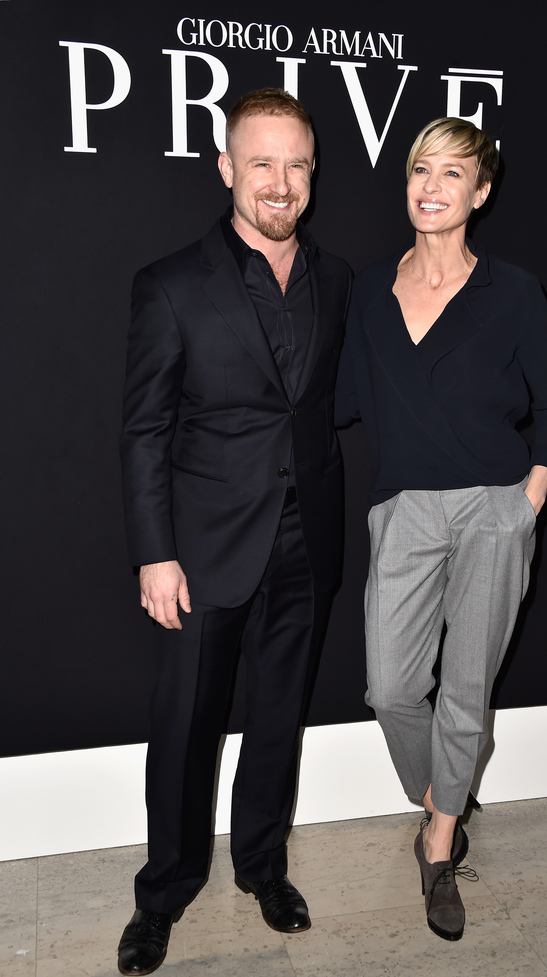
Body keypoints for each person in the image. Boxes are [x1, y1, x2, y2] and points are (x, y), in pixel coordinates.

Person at [118, 88, 352, 975]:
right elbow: (144, 430)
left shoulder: (338, 280)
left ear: (313, 173)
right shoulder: (171, 284)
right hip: (203, 546)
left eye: (296, 164)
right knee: (185, 726)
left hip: (306, 539)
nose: (280, 181)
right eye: (261, 162)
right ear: (226, 168)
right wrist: (154, 552)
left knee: (279, 716)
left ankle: (263, 864)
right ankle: (164, 892)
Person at [335, 117, 547, 942]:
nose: (432, 187)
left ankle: (439, 846)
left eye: (452, 173)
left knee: (467, 687)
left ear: (480, 192)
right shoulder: (369, 289)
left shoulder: (513, 290)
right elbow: (337, 399)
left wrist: (530, 498)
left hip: (495, 505)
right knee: (391, 687)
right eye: (421, 170)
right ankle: (442, 794)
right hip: (405, 504)